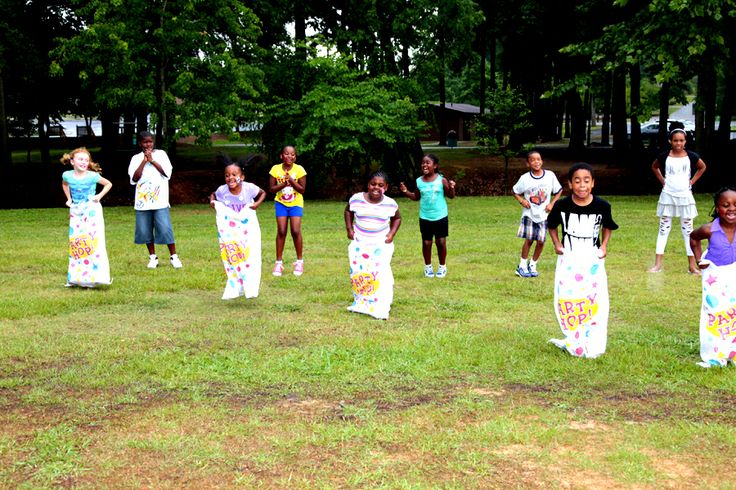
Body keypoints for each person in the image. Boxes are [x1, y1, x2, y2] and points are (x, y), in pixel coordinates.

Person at [547, 163, 619, 358]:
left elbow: (608, 226)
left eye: (586, 181)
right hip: (569, 257)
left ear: (593, 183)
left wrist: (604, 246)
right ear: (570, 184)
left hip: (591, 258)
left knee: (593, 297)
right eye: (577, 181)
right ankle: (574, 337)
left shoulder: (602, 205)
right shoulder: (561, 205)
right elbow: (551, 225)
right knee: (569, 297)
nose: (582, 185)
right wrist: (556, 244)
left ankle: (592, 340)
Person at [647, 128, 706, 274]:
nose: (678, 143)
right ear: (670, 141)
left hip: (685, 197)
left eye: (681, 140)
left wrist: (692, 181)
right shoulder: (664, 156)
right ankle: (658, 265)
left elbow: (702, 167)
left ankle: (692, 266)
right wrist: (663, 181)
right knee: (663, 229)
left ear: (685, 141)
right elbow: (654, 167)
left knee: (688, 231)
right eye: (675, 140)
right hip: (668, 196)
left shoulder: (691, 156)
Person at [345, 170, 401, 319]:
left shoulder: (390, 203)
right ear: (368, 185)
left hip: (380, 244)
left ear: (386, 187)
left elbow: (397, 219)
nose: (376, 187)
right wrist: (349, 229)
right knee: (360, 272)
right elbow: (348, 212)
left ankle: (381, 304)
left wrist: (391, 234)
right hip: (360, 243)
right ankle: (363, 302)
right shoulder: (356, 199)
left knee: (380, 272)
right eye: (373, 184)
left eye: (380, 185)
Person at [689, 186, 736, 367]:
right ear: (717, 208)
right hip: (715, 278)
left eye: (735, 205)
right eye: (726, 205)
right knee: (715, 312)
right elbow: (693, 238)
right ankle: (715, 355)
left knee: (733, 312)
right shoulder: (710, 229)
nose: (731, 209)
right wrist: (699, 259)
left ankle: (733, 352)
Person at [210, 154, 266, 300]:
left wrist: (256, 204)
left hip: (247, 230)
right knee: (233, 256)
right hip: (231, 232)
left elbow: (263, 193)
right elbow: (213, 195)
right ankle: (235, 286)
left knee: (249, 256)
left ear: (242, 176)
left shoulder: (249, 188)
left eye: (234, 174)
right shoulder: (222, 191)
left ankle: (250, 287)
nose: (230, 178)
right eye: (227, 175)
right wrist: (212, 202)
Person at [128, 131, 182, 269]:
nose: (148, 144)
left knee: (165, 228)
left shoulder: (162, 154)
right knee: (145, 230)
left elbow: (166, 173)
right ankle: (153, 257)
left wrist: (152, 160)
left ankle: (174, 256)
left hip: (160, 200)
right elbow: (134, 178)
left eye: (150, 141)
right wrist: (144, 161)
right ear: (140, 143)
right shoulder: (135, 158)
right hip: (142, 201)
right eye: (145, 142)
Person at [61, 147, 113, 287]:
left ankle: (95, 277)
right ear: (72, 161)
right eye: (80, 159)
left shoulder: (92, 176)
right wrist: (69, 199)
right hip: (76, 210)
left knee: (92, 241)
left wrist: (98, 196)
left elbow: (108, 184)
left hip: (92, 210)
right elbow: (65, 184)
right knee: (77, 241)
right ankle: (76, 277)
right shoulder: (67, 175)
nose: (84, 162)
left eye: (86, 160)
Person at [399, 154, 456, 278]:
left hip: (440, 216)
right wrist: (405, 192)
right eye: (423, 163)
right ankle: (428, 267)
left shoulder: (441, 180)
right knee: (426, 243)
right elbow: (416, 197)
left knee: (440, 242)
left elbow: (451, 196)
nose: (424, 165)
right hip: (425, 217)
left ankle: (442, 266)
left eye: (427, 163)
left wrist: (452, 187)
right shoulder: (419, 181)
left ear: (435, 166)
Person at [511, 150, 562, 278]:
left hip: (543, 215)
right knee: (529, 240)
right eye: (532, 160)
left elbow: (559, 191)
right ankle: (522, 266)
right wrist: (522, 200)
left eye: (538, 159)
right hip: (530, 214)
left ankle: (533, 264)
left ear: (542, 161)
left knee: (541, 241)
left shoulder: (550, 175)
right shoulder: (525, 178)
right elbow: (514, 191)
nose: (536, 162)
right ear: (528, 164)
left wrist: (552, 204)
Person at [269, 145, 307, 276]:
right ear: (281, 156)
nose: (290, 156)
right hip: (281, 203)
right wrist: (283, 184)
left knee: (295, 231)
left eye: (293, 154)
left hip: (296, 203)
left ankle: (299, 262)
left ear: (295, 157)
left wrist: (291, 180)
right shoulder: (275, 169)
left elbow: (302, 190)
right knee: (281, 231)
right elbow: (272, 189)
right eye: (286, 154)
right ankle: (278, 263)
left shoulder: (299, 169)